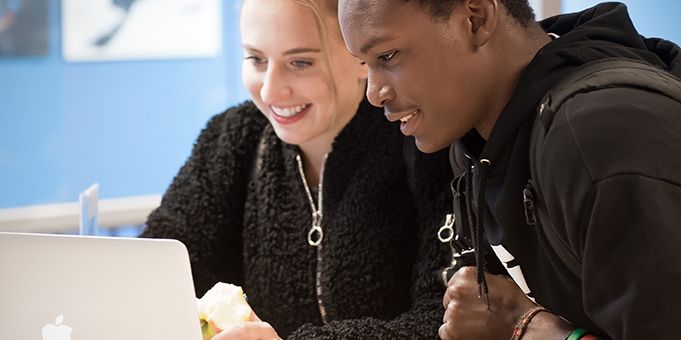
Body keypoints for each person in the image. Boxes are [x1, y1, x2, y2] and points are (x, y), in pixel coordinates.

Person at [339, 0, 681, 339]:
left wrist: (528, 328)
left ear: (476, 19)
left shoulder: (603, 137)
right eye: (364, 64)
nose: (374, 93)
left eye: (387, 56)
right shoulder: (476, 140)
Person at [141, 0, 454, 339]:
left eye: (300, 62)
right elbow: (159, 273)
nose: (270, 90)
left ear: (363, 58)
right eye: (256, 59)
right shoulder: (233, 140)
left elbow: (445, 322)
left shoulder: (429, 143)